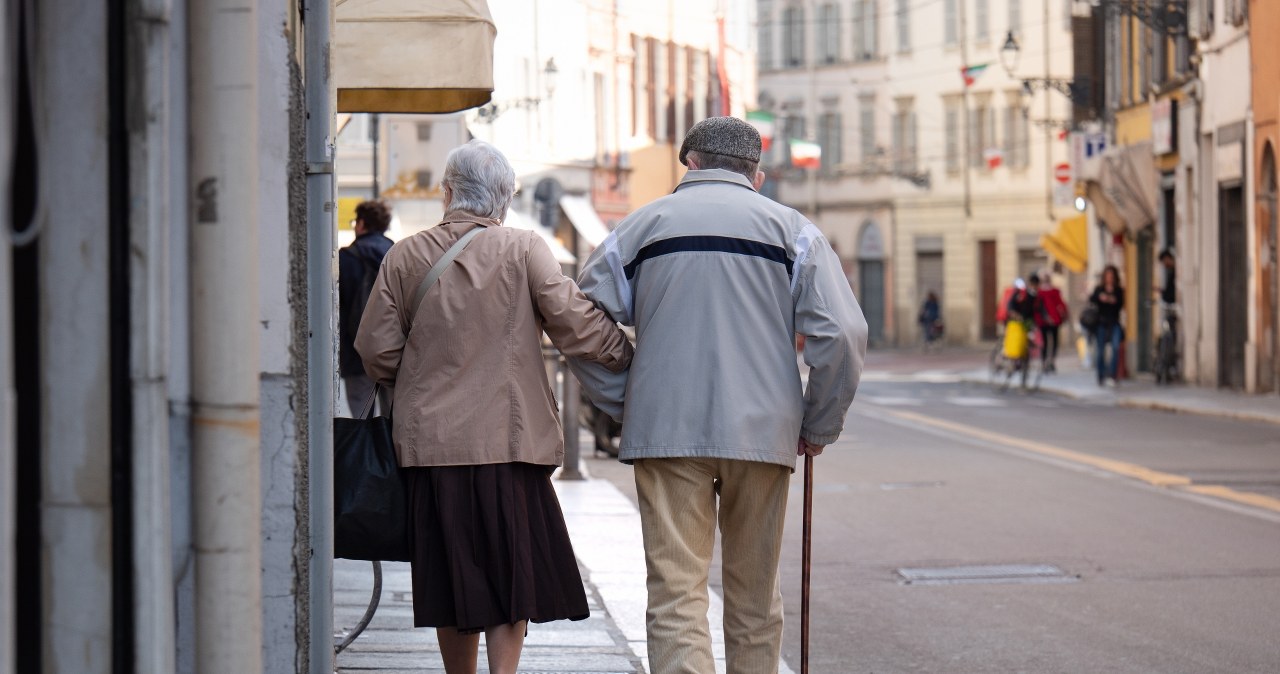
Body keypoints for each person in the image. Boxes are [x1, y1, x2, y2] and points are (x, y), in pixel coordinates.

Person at [571, 117, 869, 674]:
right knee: (755, 599)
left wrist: (627, 398)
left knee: (676, 595)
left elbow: (581, 324)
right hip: (763, 431)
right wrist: (818, 423)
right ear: (755, 174)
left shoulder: (641, 228)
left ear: (690, 162)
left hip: (667, 431)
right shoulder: (793, 232)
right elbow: (844, 334)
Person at [354, 140, 634, 674]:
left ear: (447, 193)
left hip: (432, 446)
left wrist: (415, 383)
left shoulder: (405, 254)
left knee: (448, 574)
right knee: (512, 573)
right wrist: (627, 355)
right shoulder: (525, 248)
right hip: (510, 443)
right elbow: (572, 321)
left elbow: (375, 348)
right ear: (504, 198)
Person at [338, 199, 395, 415]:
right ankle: (387, 451)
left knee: (361, 422)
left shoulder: (345, 259)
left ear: (361, 223)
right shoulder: (398, 254)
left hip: (356, 355)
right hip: (391, 353)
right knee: (393, 423)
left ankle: (365, 451)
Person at [1089, 264, 1125, 387]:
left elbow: (1121, 304)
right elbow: (1092, 299)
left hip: (1114, 322)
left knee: (1115, 348)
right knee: (1100, 350)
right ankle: (1101, 375)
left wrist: (1112, 300)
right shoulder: (1099, 289)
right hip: (1101, 323)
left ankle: (1112, 374)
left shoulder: (1118, 290)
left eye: (1111, 276)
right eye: (1107, 276)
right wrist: (1100, 297)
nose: (1109, 278)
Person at [1037, 271, 1068, 373]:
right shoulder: (1039, 292)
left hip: (1054, 320)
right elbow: (1038, 306)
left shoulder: (1054, 291)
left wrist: (1064, 314)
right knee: (1045, 342)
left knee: (1054, 342)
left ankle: (1051, 361)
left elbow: (1060, 303)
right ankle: (1045, 362)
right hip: (1044, 320)